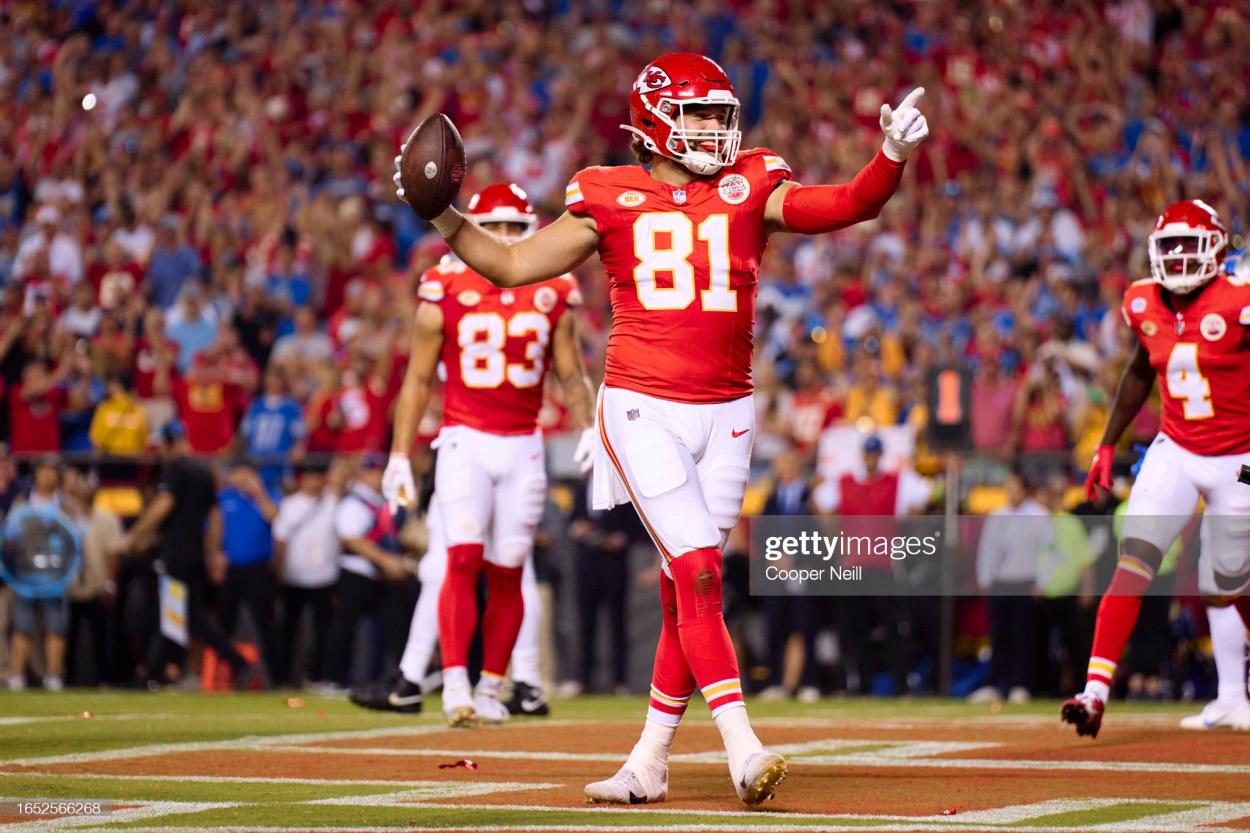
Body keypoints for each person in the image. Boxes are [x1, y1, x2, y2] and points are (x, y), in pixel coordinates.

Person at [395, 53, 927, 805]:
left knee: (689, 590)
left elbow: (846, 204)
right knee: (702, 571)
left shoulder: (751, 183)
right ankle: (744, 748)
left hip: (731, 411)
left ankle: (648, 760)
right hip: (643, 404)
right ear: (653, 119)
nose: (715, 128)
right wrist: (445, 217)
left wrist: (892, 156)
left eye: (720, 113)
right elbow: (512, 264)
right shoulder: (607, 192)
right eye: (700, 113)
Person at [383, 182, 595, 726]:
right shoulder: (444, 284)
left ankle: (492, 689)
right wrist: (400, 455)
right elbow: (416, 380)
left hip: (524, 443)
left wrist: (589, 424)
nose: (502, 238)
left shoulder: (553, 290)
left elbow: (571, 373)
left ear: (530, 232)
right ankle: (454, 683)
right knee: (461, 559)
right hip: (464, 439)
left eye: (513, 228)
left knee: (508, 570)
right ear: (473, 231)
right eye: (493, 227)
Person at [1064, 200, 1250, 738]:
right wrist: (1105, 444)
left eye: (1189, 245)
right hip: (1177, 447)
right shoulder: (1142, 300)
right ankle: (1095, 692)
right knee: (1135, 559)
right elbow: (1141, 369)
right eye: (1168, 247)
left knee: (1231, 580)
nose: (1177, 257)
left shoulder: (1238, 300)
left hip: (1239, 457)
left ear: (1215, 248)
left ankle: (1234, 695)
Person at [121, 420, 256, 687]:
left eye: (162, 446)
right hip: (195, 554)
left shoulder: (177, 469)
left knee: (176, 614)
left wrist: (135, 534)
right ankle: (163, 670)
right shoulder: (204, 471)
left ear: (172, 442)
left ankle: (159, 672)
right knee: (187, 614)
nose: (160, 452)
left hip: (176, 553)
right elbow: (216, 518)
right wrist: (213, 551)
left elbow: (164, 505)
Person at [272, 459, 343, 689]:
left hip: (325, 577)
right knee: (288, 632)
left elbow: (342, 477)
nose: (315, 481)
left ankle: (318, 678)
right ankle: (283, 678)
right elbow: (280, 541)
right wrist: (278, 571)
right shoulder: (290, 504)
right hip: (295, 577)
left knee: (323, 633)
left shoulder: (330, 502)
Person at [216, 460, 282, 687]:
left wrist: (258, 493)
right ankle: (221, 678)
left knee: (266, 625)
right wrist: (215, 554)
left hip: (258, 568)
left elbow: (274, 518)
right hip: (230, 569)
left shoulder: (267, 495)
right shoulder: (225, 497)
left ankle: (277, 677)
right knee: (224, 625)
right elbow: (214, 528)